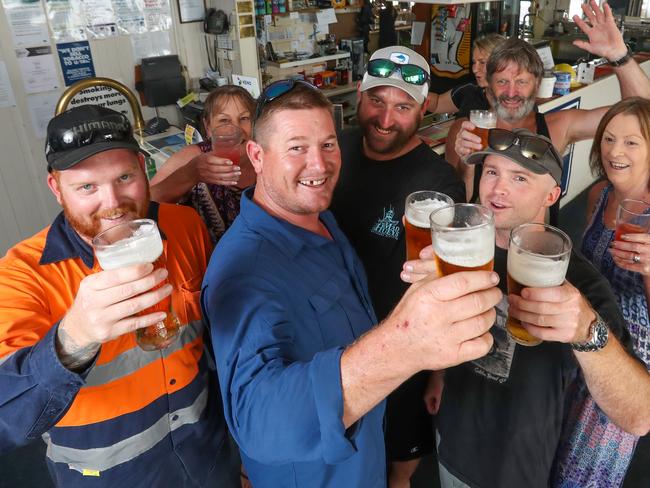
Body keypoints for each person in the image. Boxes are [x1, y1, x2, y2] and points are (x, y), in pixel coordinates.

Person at [202, 80, 502, 488]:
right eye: (296, 147)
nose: (319, 164)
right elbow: (257, 421)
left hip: (366, 462)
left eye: (327, 145)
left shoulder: (319, 219)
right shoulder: (244, 271)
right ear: (256, 155)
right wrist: (403, 343)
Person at [0, 105, 238, 487]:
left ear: (143, 168)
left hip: (207, 454)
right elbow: (7, 421)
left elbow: (218, 337)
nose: (112, 203)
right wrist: (71, 341)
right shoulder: (21, 275)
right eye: (87, 187)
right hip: (111, 476)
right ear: (56, 188)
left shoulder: (185, 225)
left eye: (124, 177)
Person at [402, 128, 650, 488]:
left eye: (519, 177)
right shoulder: (460, 253)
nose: (497, 189)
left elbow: (639, 415)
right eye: (491, 172)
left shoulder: (579, 284)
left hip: (513, 466)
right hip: (451, 440)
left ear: (551, 194)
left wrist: (586, 330)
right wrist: (438, 376)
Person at [329, 45, 464, 488]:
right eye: (377, 101)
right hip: (327, 344)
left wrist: (437, 370)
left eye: (403, 106)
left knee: (396, 471)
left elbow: (446, 282)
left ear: (423, 109)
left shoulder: (436, 183)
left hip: (399, 349)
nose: (386, 119)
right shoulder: (333, 153)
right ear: (359, 98)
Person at [449, 0, 650, 200]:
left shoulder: (559, 126)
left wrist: (619, 56)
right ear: (489, 85)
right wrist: (467, 163)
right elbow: (458, 202)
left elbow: (644, 111)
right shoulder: (468, 131)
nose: (511, 92)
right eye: (502, 81)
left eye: (521, 82)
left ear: (537, 85)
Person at [552, 97, 650, 487]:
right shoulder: (600, 196)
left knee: (584, 471)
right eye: (608, 139)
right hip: (583, 338)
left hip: (625, 360)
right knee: (554, 450)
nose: (615, 151)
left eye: (631, 142)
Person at [150, 85, 257, 243]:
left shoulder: (265, 156)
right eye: (224, 120)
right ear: (208, 127)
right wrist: (191, 173)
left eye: (244, 118)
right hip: (208, 264)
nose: (236, 129)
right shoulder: (193, 156)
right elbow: (148, 203)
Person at [426, 33, 505, 117]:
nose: (474, 69)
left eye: (482, 62)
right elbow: (437, 103)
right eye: (474, 62)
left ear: (501, 63)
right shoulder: (470, 91)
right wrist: (414, 93)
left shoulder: (515, 100)